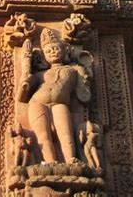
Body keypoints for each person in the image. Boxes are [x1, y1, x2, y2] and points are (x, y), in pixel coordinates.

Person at [17, 29, 91, 164]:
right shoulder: (41, 74)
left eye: (56, 49)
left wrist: (86, 77)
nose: (53, 52)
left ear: (64, 51)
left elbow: (84, 97)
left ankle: (70, 160)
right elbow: (22, 95)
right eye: (48, 51)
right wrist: (26, 63)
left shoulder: (74, 70)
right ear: (43, 56)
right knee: (43, 136)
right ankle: (50, 162)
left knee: (65, 132)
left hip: (60, 103)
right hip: (38, 103)